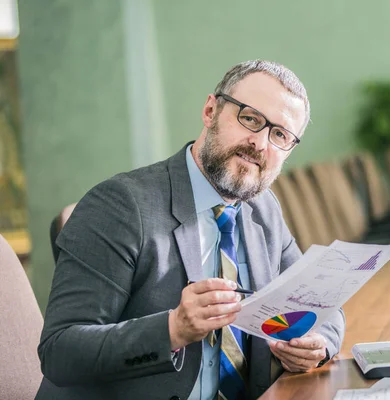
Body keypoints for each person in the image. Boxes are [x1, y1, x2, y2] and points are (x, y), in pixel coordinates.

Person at [36, 60, 345, 400]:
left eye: (279, 135)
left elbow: (322, 306)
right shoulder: (121, 205)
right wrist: (172, 330)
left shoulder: (264, 210)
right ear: (211, 111)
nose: (260, 143)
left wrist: (318, 345)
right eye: (251, 119)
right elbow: (59, 352)